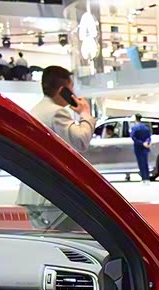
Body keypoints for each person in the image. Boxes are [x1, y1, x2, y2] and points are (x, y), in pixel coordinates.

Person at [16, 66, 96, 226]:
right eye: (71, 88)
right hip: (50, 195)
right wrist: (85, 113)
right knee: (74, 236)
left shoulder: (36, 110)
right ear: (62, 90)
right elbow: (81, 141)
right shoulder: (56, 112)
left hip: (33, 192)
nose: (73, 93)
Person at [130, 114, 152, 184]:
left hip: (138, 148)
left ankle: (144, 178)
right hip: (145, 148)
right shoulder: (145, 127)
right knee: (145, 163)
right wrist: (146, 142)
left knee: (141, 163)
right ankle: (147, 178)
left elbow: (133, 137)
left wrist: (141, 143)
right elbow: (149, 137)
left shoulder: (134, 128)